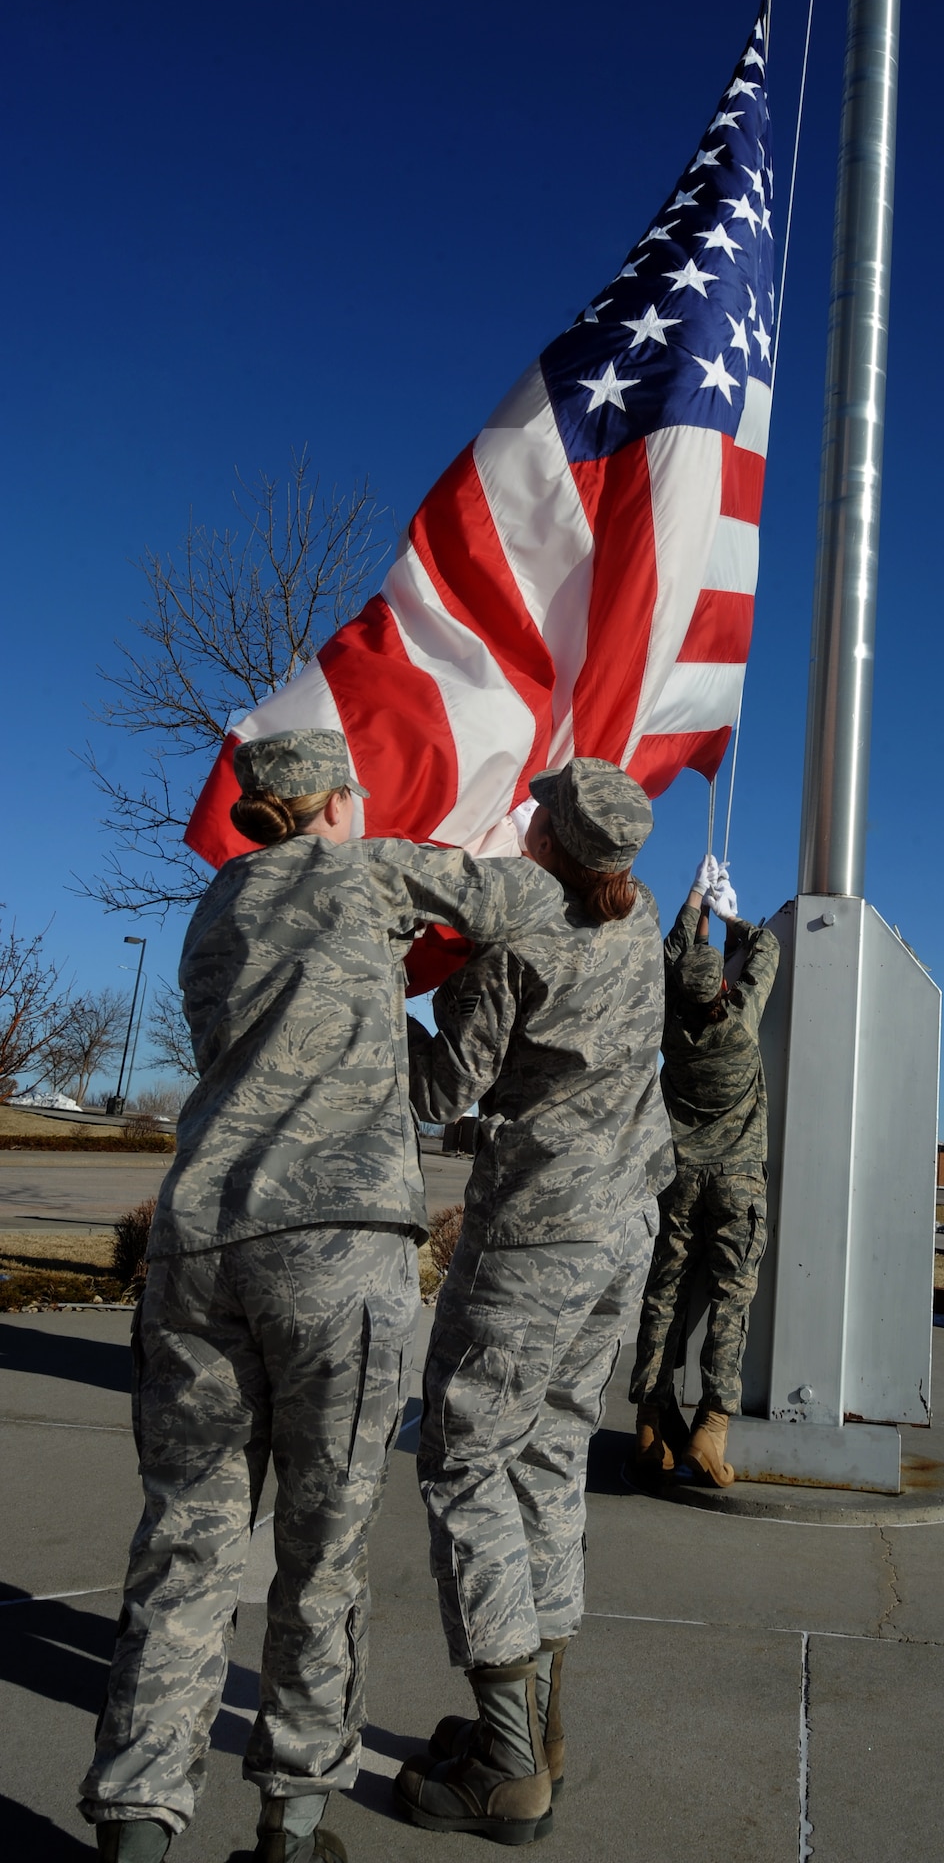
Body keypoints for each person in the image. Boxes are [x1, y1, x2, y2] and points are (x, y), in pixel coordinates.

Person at [79, 728, 567, 1863]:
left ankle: (137, 1825)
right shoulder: (369, 868)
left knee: (185, 1545)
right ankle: (293, 1825)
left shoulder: (209, 916)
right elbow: (516, 897)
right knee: (322, 1549)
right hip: (337, 1253)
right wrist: (541, 823)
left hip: (199, 1245)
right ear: (338, 799)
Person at [393, 757, 673, 1847]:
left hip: (537, 1240)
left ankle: (507, 1768)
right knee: (549, 1455)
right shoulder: (637, 913)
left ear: (547, 836)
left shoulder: (516, 944)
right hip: (622, 1227)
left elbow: (436, 1089)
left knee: (464, 1459)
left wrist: (382, 988)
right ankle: (537, 1726)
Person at [628, 854, 780, 1489]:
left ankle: (651, 1416)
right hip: (737, 1184)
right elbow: (767, 947)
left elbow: (669, 965)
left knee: (663, 1295)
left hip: (679, 1181)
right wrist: (730, 919)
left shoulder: (670, 1029)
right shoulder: (740, 1023)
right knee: (729, 1301)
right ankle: (712, 1426)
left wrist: (693, 900)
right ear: (723, 986)